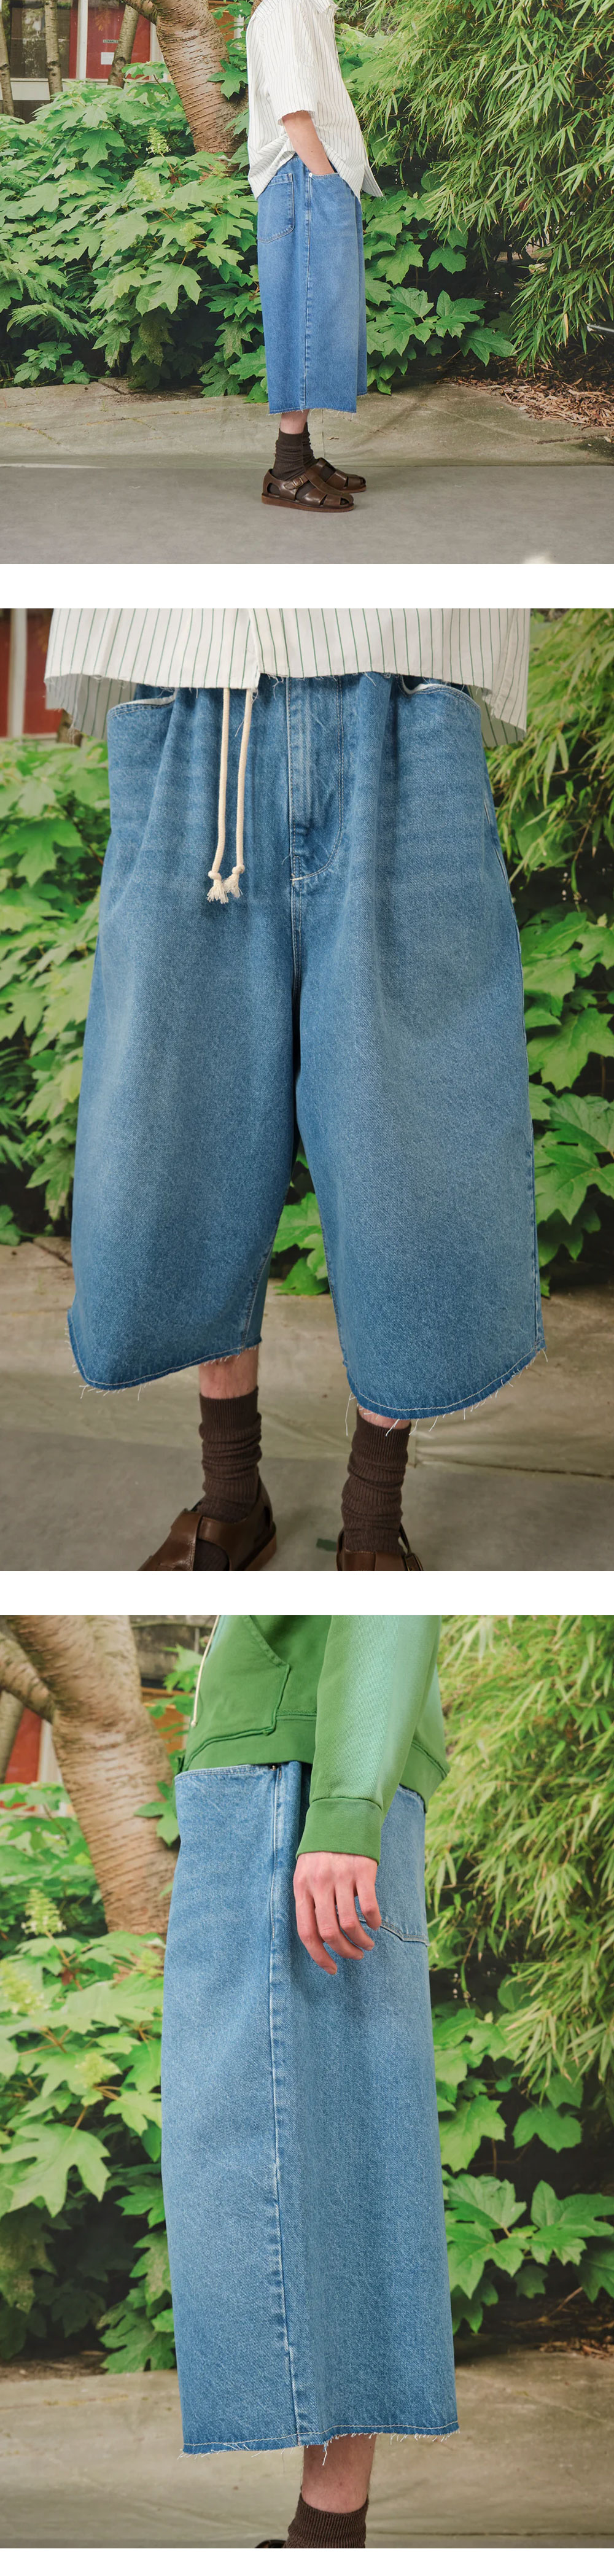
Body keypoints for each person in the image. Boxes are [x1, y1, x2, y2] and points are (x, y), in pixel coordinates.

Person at [45, 602, 543, 1575]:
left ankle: (373, 1510)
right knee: (184, 1130)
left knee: (406, 1138)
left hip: (401, 691)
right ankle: (232, 1495)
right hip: (199, 698)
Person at [161, 1612, 457, 2543]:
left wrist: (342, 1809)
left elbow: (383, 1603)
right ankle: (327, 2534)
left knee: (269, 2143)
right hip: (304, 1768)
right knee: (346, 2141)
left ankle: (327, 2538)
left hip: (292, 1775)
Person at [246, 0, 379, 512]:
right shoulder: (288, 9)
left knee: (321, 318)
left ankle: (300, 459)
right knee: (303, 316)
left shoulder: (311, 8)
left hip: (315, 176)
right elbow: (294, 111)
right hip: (302, 177)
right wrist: (325, 179)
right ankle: (286, 471)